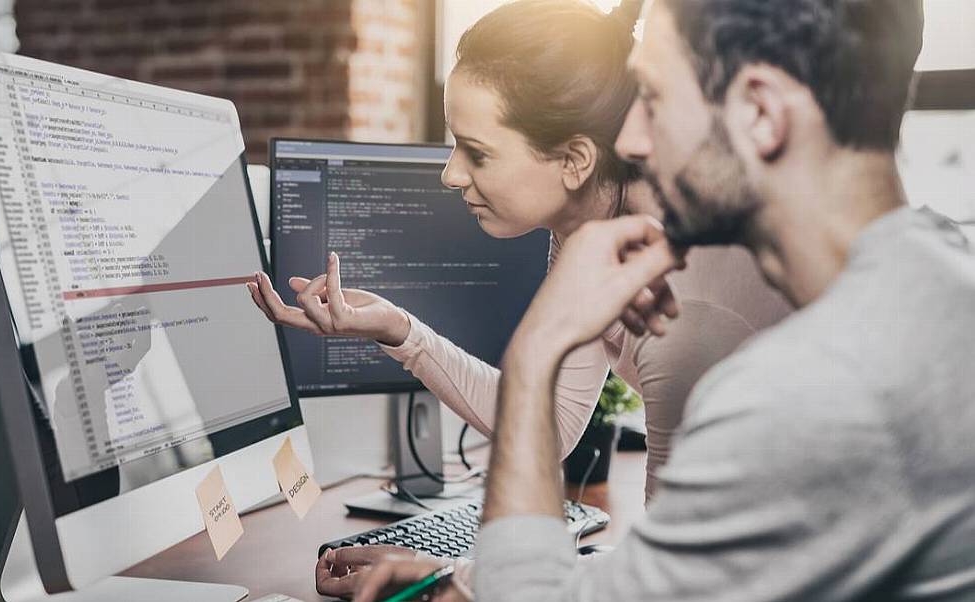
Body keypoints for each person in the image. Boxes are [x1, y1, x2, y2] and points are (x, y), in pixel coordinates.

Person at [352, 0, 975, 600]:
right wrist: (480, 580)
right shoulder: (938, 276)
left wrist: (537, 349)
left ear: (760, 112)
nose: (630, 140)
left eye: (652, 99)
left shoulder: (798, 389)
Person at [249, 0, 787, 500]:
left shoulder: (683, 308)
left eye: (477, 152)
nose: (449, 173)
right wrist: (400, 331)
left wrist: (459, 585)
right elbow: (551, 424)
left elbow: (671, 579)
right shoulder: (585, 229)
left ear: (575, 160)